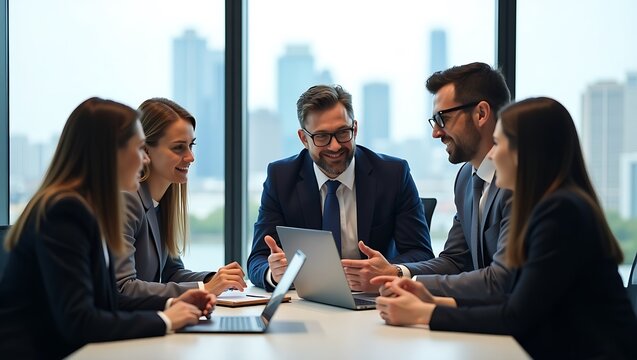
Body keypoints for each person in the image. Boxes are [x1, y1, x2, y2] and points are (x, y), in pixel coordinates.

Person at [373, 97, 637, 358]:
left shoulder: (561, 213)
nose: (492, 154)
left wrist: (425, 314)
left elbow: (515, 317)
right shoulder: (550, 205)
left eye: (498, 143)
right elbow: (517, 301)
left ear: (526, 153)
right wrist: (432, 301)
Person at [0, 98, 215, 359]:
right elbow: (80, 321)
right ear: (110, 153)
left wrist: (173, 304)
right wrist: (166, 320)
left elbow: (106, 301)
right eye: (139, 148)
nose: (144, 159)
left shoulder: (85, 208)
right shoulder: (64, 212)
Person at [343, 62, 515, 296]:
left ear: (481, 114)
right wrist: (395, 273)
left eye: (442, 119)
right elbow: (455, 261)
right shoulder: (465, 178)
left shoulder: (518, 180)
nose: (436, 132)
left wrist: (410, 287)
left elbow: (501, 280)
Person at [247, 84, 434, 291]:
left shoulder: (393, 174)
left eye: (343, 132)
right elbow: (258, 259)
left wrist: (392, 271)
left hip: (375, 300)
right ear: (304, 139)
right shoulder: (281, 177)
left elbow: (421, 252)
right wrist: (273, 274)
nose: (335, 146)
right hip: (308, 303)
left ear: (355, 129)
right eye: (321, 136)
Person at [114, 98, 246, 297]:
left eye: (191, 145)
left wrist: (216, 279)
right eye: (178, 148)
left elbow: (172, 273)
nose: (191, 157)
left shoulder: (162, 201)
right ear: (146, 149)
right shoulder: (127, 200)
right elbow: (123, 288)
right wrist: (205, 289)